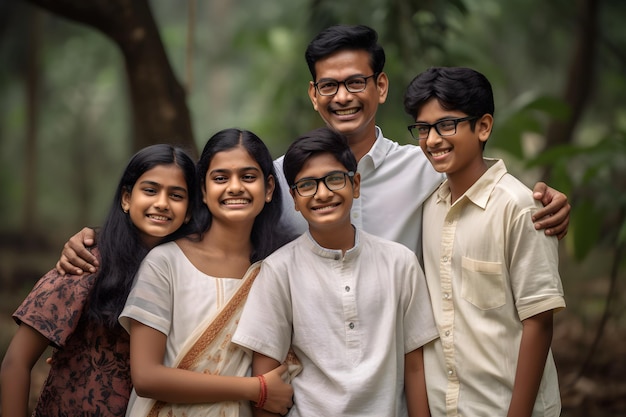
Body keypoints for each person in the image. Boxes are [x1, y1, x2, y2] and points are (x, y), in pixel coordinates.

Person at [53, 25, 571, 276]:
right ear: (313, 94)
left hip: (407, 366)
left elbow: (488, 192)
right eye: (328, 85)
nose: (342, 96)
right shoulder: (274, 182)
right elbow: (199, 230)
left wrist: (544, 202)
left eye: (355, 82)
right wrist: (99, 240)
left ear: (381, 87)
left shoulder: (426, 168)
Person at [232, 127, 438, 417]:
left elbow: (415, 367)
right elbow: (266, 380)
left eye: (333, 179)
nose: (323, 193)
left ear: (355, 184)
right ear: (293, 197)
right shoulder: (278, 271)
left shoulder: (399, 263)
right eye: (307, 185)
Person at [403, 66, 566, 416]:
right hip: (446, 406)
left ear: (483, 126)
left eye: (446, 125)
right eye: (423, 128)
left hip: (503, 406)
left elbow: (538, 321)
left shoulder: (519, 208)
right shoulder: (430, 206)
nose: (432, 140)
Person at [0, 144, 200, 417]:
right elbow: (16, 363)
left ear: (189, 210)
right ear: (126, 199)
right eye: (150, 190)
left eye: (176, 195)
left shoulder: (192, 270)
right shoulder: (87, 262)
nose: (162, 203)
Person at [119, 128, 298, 417]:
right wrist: (253, 389)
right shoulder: (165, 262)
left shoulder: (278, 268)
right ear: (202, 190)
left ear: (268, 189)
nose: (235, 187)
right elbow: (146, 377)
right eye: (220, 178)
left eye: (248, 177)